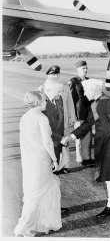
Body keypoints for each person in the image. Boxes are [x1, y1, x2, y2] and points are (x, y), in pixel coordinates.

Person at [62, 79, 110, 218]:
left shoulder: (108, 102)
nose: (85, 94)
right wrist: (72, 136)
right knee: (108, 171)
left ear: (94, 89)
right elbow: (88, 123)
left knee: (108, 174)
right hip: (103, 142)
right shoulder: (94, 103)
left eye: (86, 91)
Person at [14, 91, 62, 237]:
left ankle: (44, 223)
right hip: (40, 160)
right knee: (39, 193)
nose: (47, 102)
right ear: (39, 101)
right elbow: (47, 142)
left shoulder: (25, 117)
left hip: (29, 160)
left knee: (43, 190)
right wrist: (54, 159)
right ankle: (24, 227)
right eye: (45, 100)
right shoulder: (41, 118)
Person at [40, 65, 76, 174]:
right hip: (50, 120)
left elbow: (70, 103)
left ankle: (65, 165)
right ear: (48, 75)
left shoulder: (64, 87)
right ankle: (52, 165)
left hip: (63, 119)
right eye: (53, 74)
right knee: (52, 142)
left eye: (57, 73)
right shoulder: (42, 88)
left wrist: (72, 117)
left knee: (65, 141)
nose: (56, 75)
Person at [68, 60, 95, 167]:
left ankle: (87, 158)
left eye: (86, 68)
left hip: (89, 112)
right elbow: (71, 100)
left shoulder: (89, 80)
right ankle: (80, 159)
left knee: (88, 136)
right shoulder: (73, 82)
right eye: (83, 68)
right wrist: (72, 115)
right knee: (79, 136)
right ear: (78, 70)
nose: (85, 70)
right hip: (79, 113)